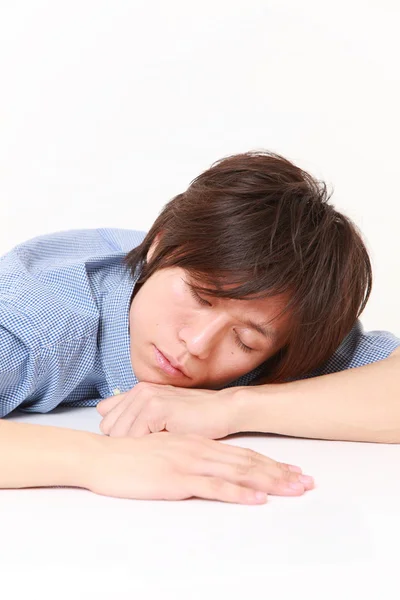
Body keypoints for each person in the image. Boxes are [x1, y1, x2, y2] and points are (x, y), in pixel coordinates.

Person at [1, 151, 399, 504]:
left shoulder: (283, 316)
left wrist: (233, 408)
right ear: (158, 248)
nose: (196, 343)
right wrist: (98, 461)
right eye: (200, 297)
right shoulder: (43, 319)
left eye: (243, 341)